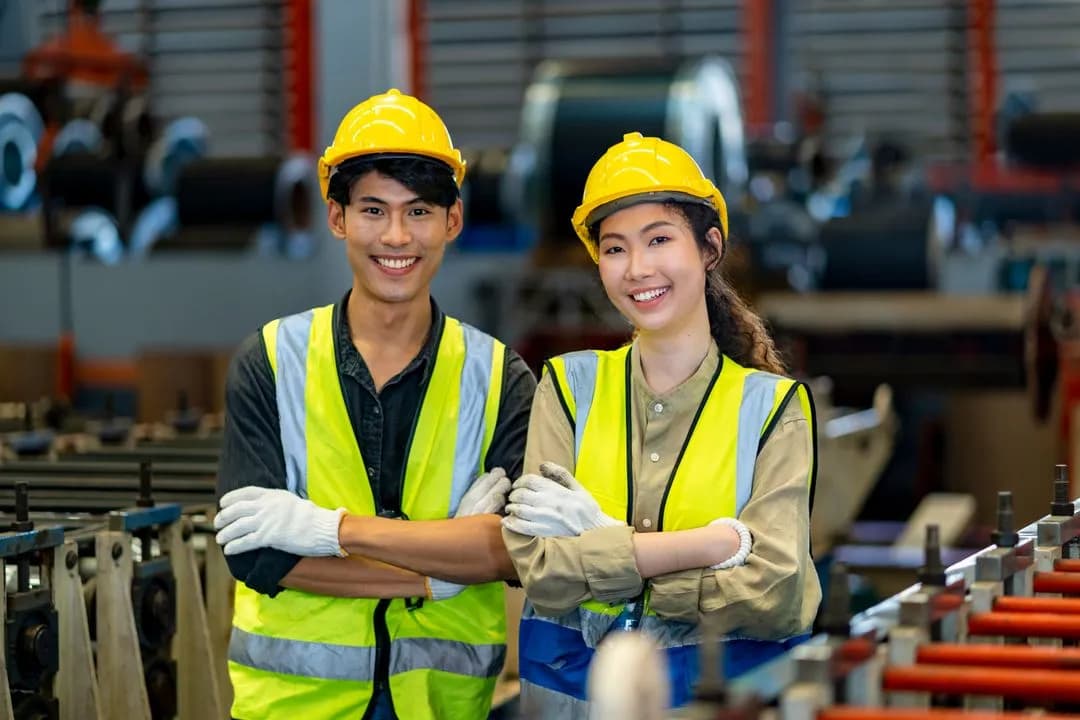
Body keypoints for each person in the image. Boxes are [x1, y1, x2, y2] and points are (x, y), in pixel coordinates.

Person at [212, 88, 535, 720]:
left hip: (443, 706)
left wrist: (331, 532)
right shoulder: (271, 362)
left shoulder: (500, 377)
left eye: (418, 211)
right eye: (372, 210)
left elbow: (511, 551)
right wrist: (441, 570)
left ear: (453, 221)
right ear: (336, 218)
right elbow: (257, 553)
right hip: (297, 706)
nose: (396, 236)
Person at [502, 132, 821, 717]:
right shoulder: (568, 390)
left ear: (709, 248)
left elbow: (775, 594)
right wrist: (709, 547)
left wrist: (606, 548)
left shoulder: (772, 408)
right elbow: (541, 570)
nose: (637, 268)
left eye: (659, 239)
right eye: (615, 248)